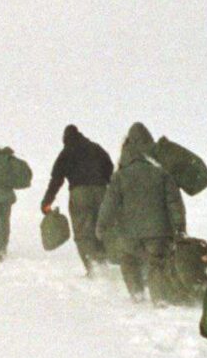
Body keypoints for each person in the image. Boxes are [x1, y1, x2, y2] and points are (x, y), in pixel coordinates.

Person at [97, 123, 176, 300]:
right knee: (157, 262)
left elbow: (109, 203)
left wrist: (101, 226)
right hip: (159, 230)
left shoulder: (120, 175)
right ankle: (159, 298)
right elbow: (174, 203)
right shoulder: (162, 173)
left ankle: (137, 294)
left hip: (129, 231)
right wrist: (179, 227)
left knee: (129, 259)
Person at [41, 125, 115, 275]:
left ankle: (93, 269)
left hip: (80, 193)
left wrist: (47, 201)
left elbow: (56, 179)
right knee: (102, 228)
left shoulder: (66, 152)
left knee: (83, 232)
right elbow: (110, 167)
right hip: (102, 192)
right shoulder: (96, 148)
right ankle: (104, 263)